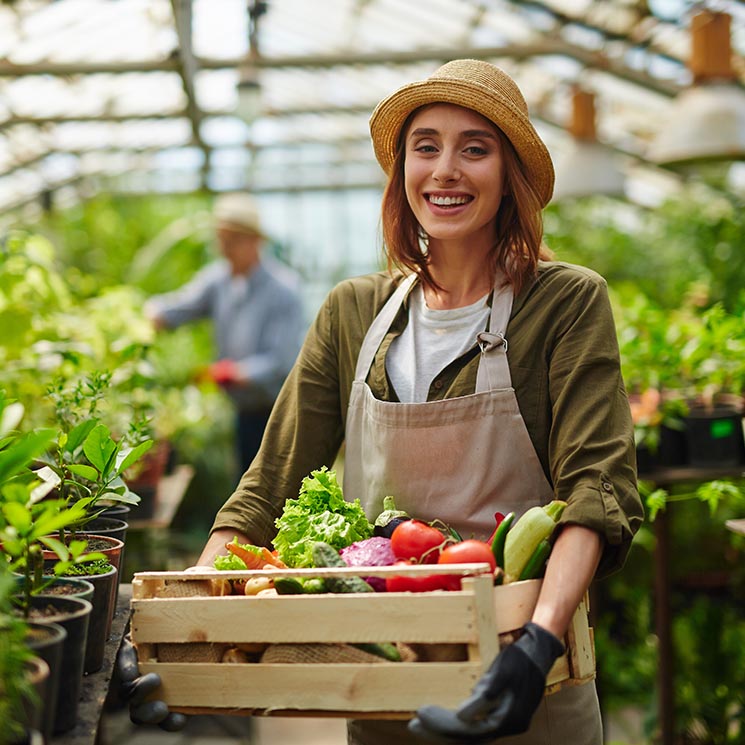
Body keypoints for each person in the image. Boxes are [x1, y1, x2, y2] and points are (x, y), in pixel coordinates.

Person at [122, 60, 643, 743]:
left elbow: (595, 490)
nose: (445, 169)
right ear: (401, 170)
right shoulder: (352, 312)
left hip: (522, 679)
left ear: (508, 174)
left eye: (474, 149)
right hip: (381, 680)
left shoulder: (563, 303)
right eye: (424, 146)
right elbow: (263, 492)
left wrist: (538, 643)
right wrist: (186, 630)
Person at [144, 192, 305, 479]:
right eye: (221, 240)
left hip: (279, 412)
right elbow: (182, 307)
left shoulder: (284, 289)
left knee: (276, 486)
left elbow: (282, 359)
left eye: (232, 241)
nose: (224, 249)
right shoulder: (218, 280)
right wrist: (149, 313)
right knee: (246, 481)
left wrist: (234, 373)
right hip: (244, 410)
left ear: (255, 241)